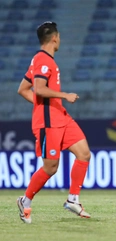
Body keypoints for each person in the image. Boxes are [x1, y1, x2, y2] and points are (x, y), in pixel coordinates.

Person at [16, 21, 92, 224]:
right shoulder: (42, 60)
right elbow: (38, 89)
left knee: (84, 153)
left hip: (60, 116)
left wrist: (44, 104)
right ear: (55, 38)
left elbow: (23, 89)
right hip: (48, 122)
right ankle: (25, 200)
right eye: (59, 37)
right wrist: (63, 95)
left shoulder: (42, 60)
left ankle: (73, 199)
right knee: (51, 168)